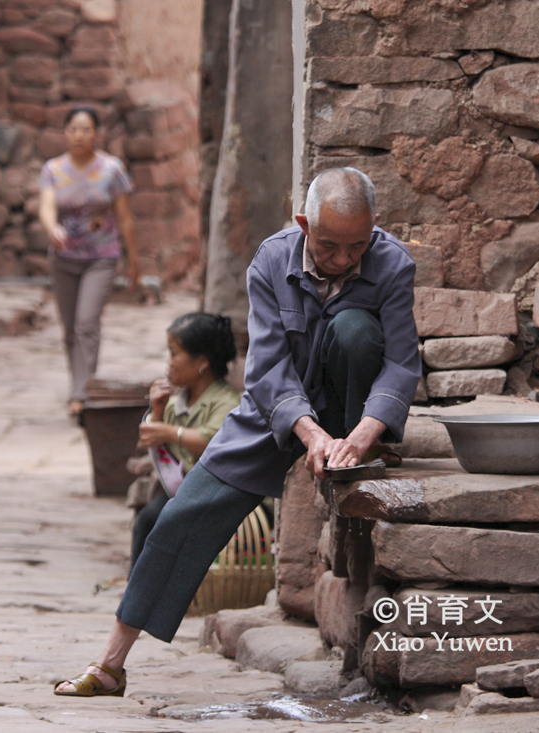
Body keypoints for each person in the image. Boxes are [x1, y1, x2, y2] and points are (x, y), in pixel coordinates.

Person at [54, 167, 422, 697]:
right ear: (303, 224)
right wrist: (311, 436)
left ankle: (359, 452)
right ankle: (112, 662)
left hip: (353, 413)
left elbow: (401, 363)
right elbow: (269, 368)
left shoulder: (392, 264)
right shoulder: (271, 260)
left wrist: (362, 434)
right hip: (276, 409)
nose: (344, 259)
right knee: (183, 513)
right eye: (329, 246)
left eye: (356, 246)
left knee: (356, 330)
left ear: (375, 228)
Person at [39, 106, 140, 420]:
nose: (79, 136)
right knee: (70, 329)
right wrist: (51, 227)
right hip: (63, 259)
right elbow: (46, 206)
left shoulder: (112, 169)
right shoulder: (53, 169)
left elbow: (124, 219)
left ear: (97, 134)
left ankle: (83, 393)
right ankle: (79, 384)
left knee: (86, 323)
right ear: (65, 132)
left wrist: (133, 261)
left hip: (101, 257)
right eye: (73, 129)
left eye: (86, 130)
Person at [130, 312, 240, 575]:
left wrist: (169, 432)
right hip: (183, 496)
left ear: (201, 361)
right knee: (149, 517)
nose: (169, 363)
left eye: (174, 354)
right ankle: (136, 591)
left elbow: (214, 439)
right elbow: (146, 439)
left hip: (217, 499)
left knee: (158, 517)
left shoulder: (227, 402)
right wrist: (156, 412)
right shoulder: (177, 401)